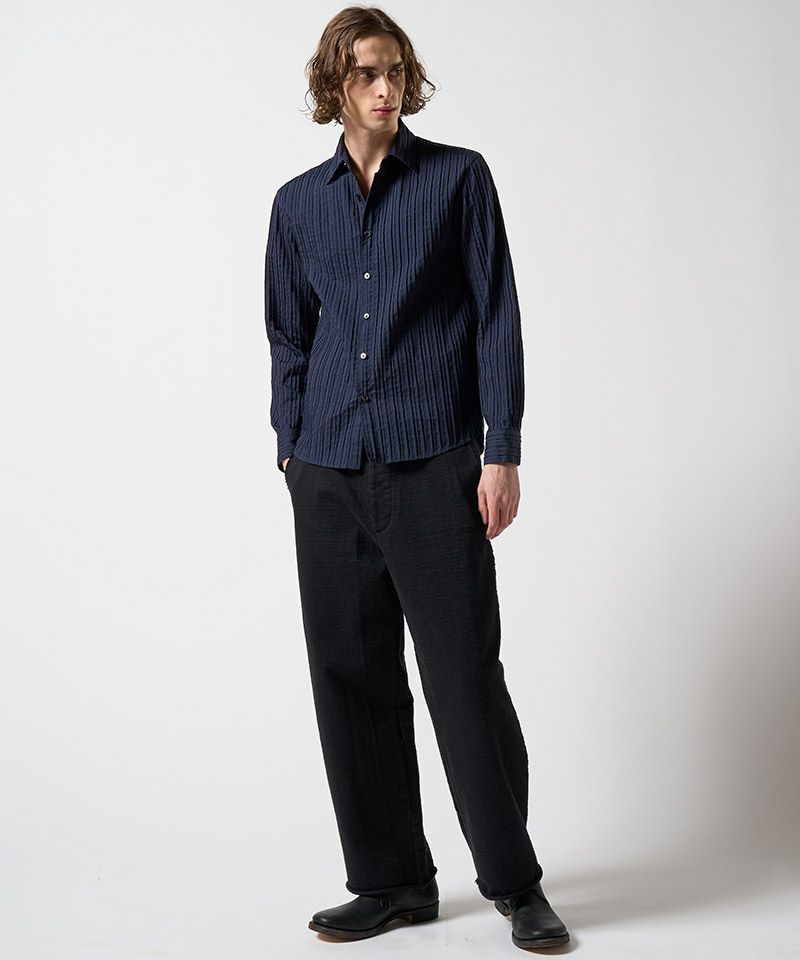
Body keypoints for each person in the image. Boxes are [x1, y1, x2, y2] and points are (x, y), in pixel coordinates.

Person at [263, 6, 569, 951]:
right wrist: (290, 443)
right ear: (334, 85)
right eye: (365, 73)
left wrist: (501, 448)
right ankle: (393, 881)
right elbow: (287, 334)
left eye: (395, 70)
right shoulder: (297, 204)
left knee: (463, 677)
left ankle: (515, 882)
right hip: (327, 469)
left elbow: (495, 315)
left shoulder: (457, 179)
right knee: (349, 678)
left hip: (435, 461)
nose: (385, 88)